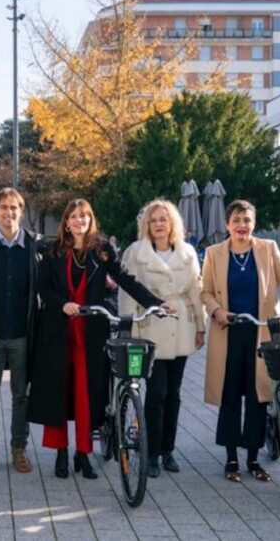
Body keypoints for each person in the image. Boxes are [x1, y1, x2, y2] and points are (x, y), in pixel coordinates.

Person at [29, 199, 168, 479]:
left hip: (90, 333)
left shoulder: (102, 250)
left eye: (85, 216)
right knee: (59, 393)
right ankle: (60, 453)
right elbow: (42, 286)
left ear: (91, 220)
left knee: (86, 395)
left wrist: (155, 302)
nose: (80, 221)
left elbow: (126, 279)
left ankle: (83, 453)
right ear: (66, 222)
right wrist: (60, 304)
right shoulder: (52, 250)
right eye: (74, 216)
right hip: (58, 332)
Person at [201, 199, 280, 483]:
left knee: (259, 396)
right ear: (227, 224)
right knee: (229, 395)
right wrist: (217, 310)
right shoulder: (214, 253)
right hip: (228, 332)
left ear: (254, 223)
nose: (242, 225)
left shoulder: (267, 249)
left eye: (247, 220)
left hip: (263, 331)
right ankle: (231, 458)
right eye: (236, 220)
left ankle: (253, 458)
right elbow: (205, 291)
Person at [119, 199, 205, 478]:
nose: (158, 224)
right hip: (150, 327)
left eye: (163, 219)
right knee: (156, 393)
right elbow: (127, 290)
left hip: (181, 327)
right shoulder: (135, 252)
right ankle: (152, 451)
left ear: (172, 224)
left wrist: (201, 326)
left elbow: (196, 290)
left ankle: (168, 450)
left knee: (174, 394)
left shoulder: (188, 252)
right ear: (146, 224)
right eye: (153, 220)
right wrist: (128, 327)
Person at [0, 188, 42, 474]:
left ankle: (19, 448)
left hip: (23, 333)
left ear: (21, 211)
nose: (9, 212)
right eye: (3, 207)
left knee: (21, 395)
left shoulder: (35, 247)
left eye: (14, 208)